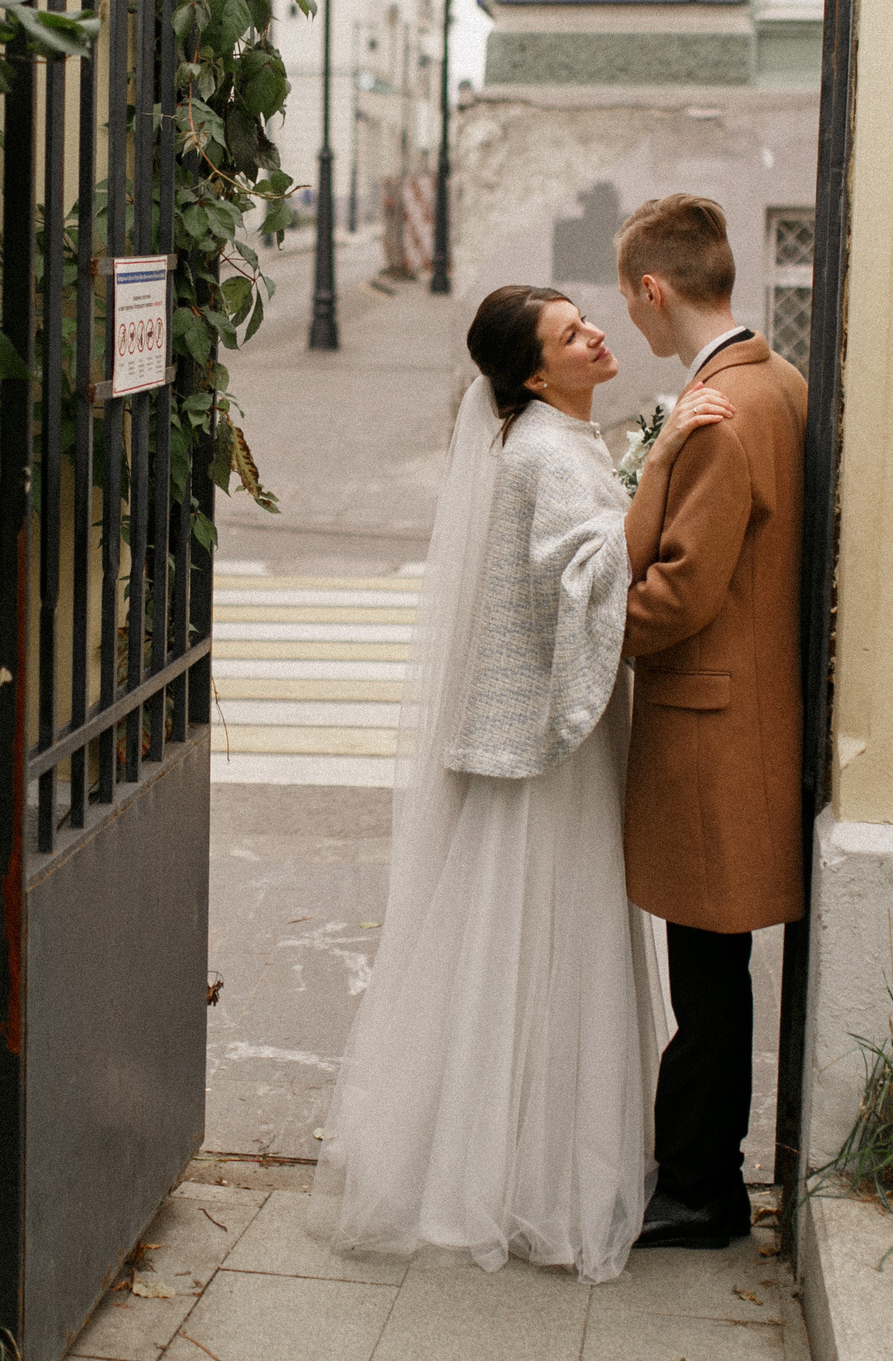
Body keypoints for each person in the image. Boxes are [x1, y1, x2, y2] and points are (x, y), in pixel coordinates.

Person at [311, 284, 725, 1284]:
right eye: (569, 333)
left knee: (534, 939)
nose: (593, 333)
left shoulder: (557, 434)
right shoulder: (542, 447)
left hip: (560, 730)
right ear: (537, 373)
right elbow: (580, 573)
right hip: (550, 748)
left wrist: (642, 455)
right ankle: (525, 1176)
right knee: (546, 933)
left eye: (586, 319)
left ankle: (514, 1155)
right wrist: (665, 457)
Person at [611, 194, 809, 1251]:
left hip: (707, 726)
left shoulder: (724, 412)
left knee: (706, 977)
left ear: (653, 289)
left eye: (627, 301)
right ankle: (702, 1178)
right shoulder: (773, 382)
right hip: (748, 719)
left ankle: (699, 1190)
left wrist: (588, 635)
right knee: (714, 971)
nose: (630, 324)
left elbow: (682, 592)